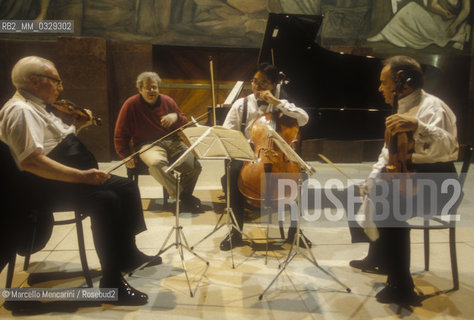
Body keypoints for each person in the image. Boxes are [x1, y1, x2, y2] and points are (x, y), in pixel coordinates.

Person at [0, 56, 161, 306]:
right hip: (40, 188)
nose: (61, 88)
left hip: (58, 181)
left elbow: (56, 144)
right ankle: (112, 283)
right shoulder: (20, 111)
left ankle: (128, 254)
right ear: (34, 81)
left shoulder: (36, 107)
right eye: (56, 81)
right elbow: (31, 161)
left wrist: (78, 128)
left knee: (127, 187)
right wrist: (82, 176)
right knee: (106, 200)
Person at [349, 55, 458, 305]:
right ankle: (376, 257)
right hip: (410, 176)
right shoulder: (400, 107)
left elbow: (448, 147)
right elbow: (388, 152)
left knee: (390, 203)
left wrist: (418, 124)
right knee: (362, 189)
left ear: (403, 84)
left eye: (383, 82)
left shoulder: (432, 107)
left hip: (438, 183)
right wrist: (372, 178)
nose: (380, 88)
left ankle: (401, 284)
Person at [219, 62, 311, 251]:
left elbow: (303, 118)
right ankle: (235, 231)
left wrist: (277, 103)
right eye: (254, 81)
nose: (257, 87)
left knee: (302, 176)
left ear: (274, 85)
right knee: (233, 171)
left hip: (280, 155)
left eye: (264, 83)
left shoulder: (283, 104)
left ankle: (295, 231)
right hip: (250, 154)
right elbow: (228, 132)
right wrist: (245, 150)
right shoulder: (242, 104)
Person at [114, 71, 202, 213]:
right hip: (146, 144)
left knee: (195, 166)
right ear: (140, 89)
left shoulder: (168, 101)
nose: (152, 91)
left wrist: (175, 117)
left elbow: (184, 123)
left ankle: (183, 196)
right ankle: (183, 196)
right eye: (148, 88)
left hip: (172, 141)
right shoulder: (130, 105)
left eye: (154, 87)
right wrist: (125, 155)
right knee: (156, 163)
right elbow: (120, 133)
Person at [368, 0, 471, 50]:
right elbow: (432, 5)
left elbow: (466, 10)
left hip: (454, 22)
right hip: (437, 18)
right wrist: (443, 12)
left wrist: (455, 25)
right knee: (411, 8)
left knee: (460, 29)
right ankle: (385, 35)